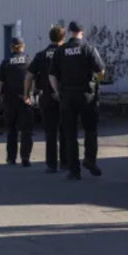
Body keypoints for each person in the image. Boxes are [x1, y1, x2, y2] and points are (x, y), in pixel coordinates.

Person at [49, 21, 106, 181]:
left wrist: (57, 91)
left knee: (70, 134)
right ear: (82, 31)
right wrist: (97, 81)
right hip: (87, 94)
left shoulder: (60, 51)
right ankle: (90, 160)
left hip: (67, 95)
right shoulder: (88, 48)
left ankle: (74, 171)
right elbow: (101, 70)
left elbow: (52, 75)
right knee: (90, 130)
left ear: (69, 32)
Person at [26, 25, 68, 173]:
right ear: (63, 38)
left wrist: (27, 94)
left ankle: (52, 165)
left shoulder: (40, 55)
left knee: (50, 132)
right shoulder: (66, 54)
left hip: (46, 96)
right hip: (65, 96)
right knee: (65, 130)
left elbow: (29, 76)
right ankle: (65, 162)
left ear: (50, 37)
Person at [0, 37, 33, 167]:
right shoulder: (29, 61)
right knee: (26, 130)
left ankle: (11, 158)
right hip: (26, 99)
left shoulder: (6, 62)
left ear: (11, 47)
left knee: (11, 130)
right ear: (23, 46)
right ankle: (25, 157)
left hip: (10, 101)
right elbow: (35, 78)